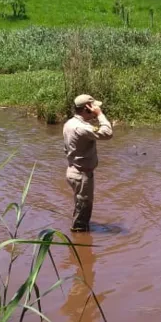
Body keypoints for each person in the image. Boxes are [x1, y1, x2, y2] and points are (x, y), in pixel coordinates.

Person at [63, 94, 113, 231]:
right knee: (82, 216)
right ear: (87, 108)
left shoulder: (69, 123)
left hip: (73, 171)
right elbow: (108, 133)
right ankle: (79, 242)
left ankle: (80, 234)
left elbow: (66, 149)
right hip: (81, 175)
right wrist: (100, 115)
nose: (96, 108)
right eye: (94, 106)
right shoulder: (82, 127)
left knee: (80, 206)